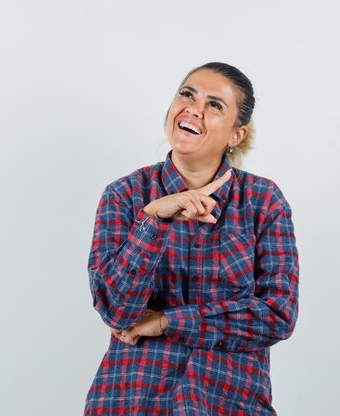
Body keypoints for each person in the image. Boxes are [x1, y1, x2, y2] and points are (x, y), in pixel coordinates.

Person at [83, 62, 299, 415]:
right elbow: (115, 309)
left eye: (215, 105)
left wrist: (168, 322)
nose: (194, 109)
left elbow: (277, 314)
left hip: (229, 403)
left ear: (236, 134)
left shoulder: (263, 201)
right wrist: (152, 219)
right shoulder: (124, 195)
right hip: (131, 400)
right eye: (187, 94)